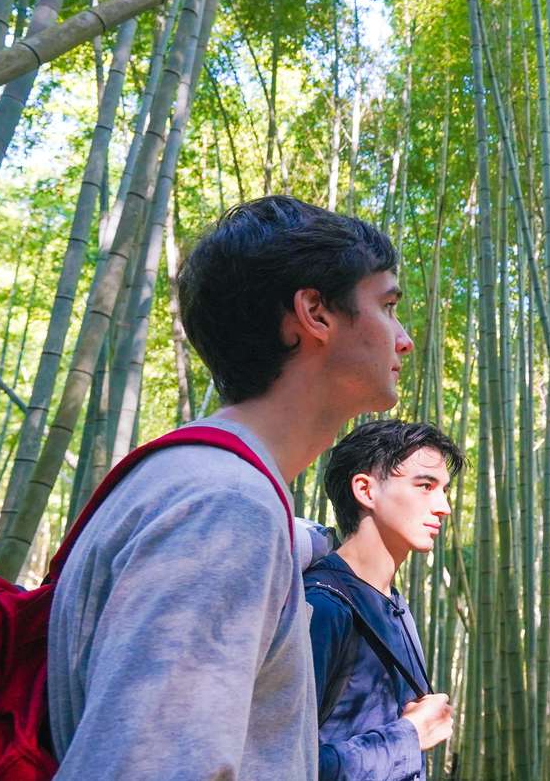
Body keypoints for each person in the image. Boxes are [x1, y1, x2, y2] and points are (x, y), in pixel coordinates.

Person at [46, 195, 413, 778]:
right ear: (315, 312)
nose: (404, 340)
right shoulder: (222, 507)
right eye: (387, 306)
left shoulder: (203, 485)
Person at [306, 419, 462, 779]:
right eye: (425, 486)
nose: (444, 507)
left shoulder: (392, 601)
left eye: (445, 490)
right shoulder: (323, 607)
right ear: (365, 490)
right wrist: (409, 737)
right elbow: (277, 765)